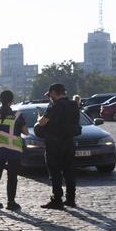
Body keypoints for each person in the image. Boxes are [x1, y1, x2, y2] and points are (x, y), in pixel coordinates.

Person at [36, 82, 80, 210]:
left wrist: (39, 117)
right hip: (69, 142)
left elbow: (43, 122)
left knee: (55, 172)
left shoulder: (54, 107)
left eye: (50, 94)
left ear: (54, 93)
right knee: (69, 171)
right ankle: (70, 199)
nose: (49, 96)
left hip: (54, 143)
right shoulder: (73, 105)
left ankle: (57, 199)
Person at [0, 90, 28, 211]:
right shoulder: (17, 115)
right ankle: (11, 202)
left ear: (0, 100)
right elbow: (26, 132)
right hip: (14, 151)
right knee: (12, 177)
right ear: (12, 101)